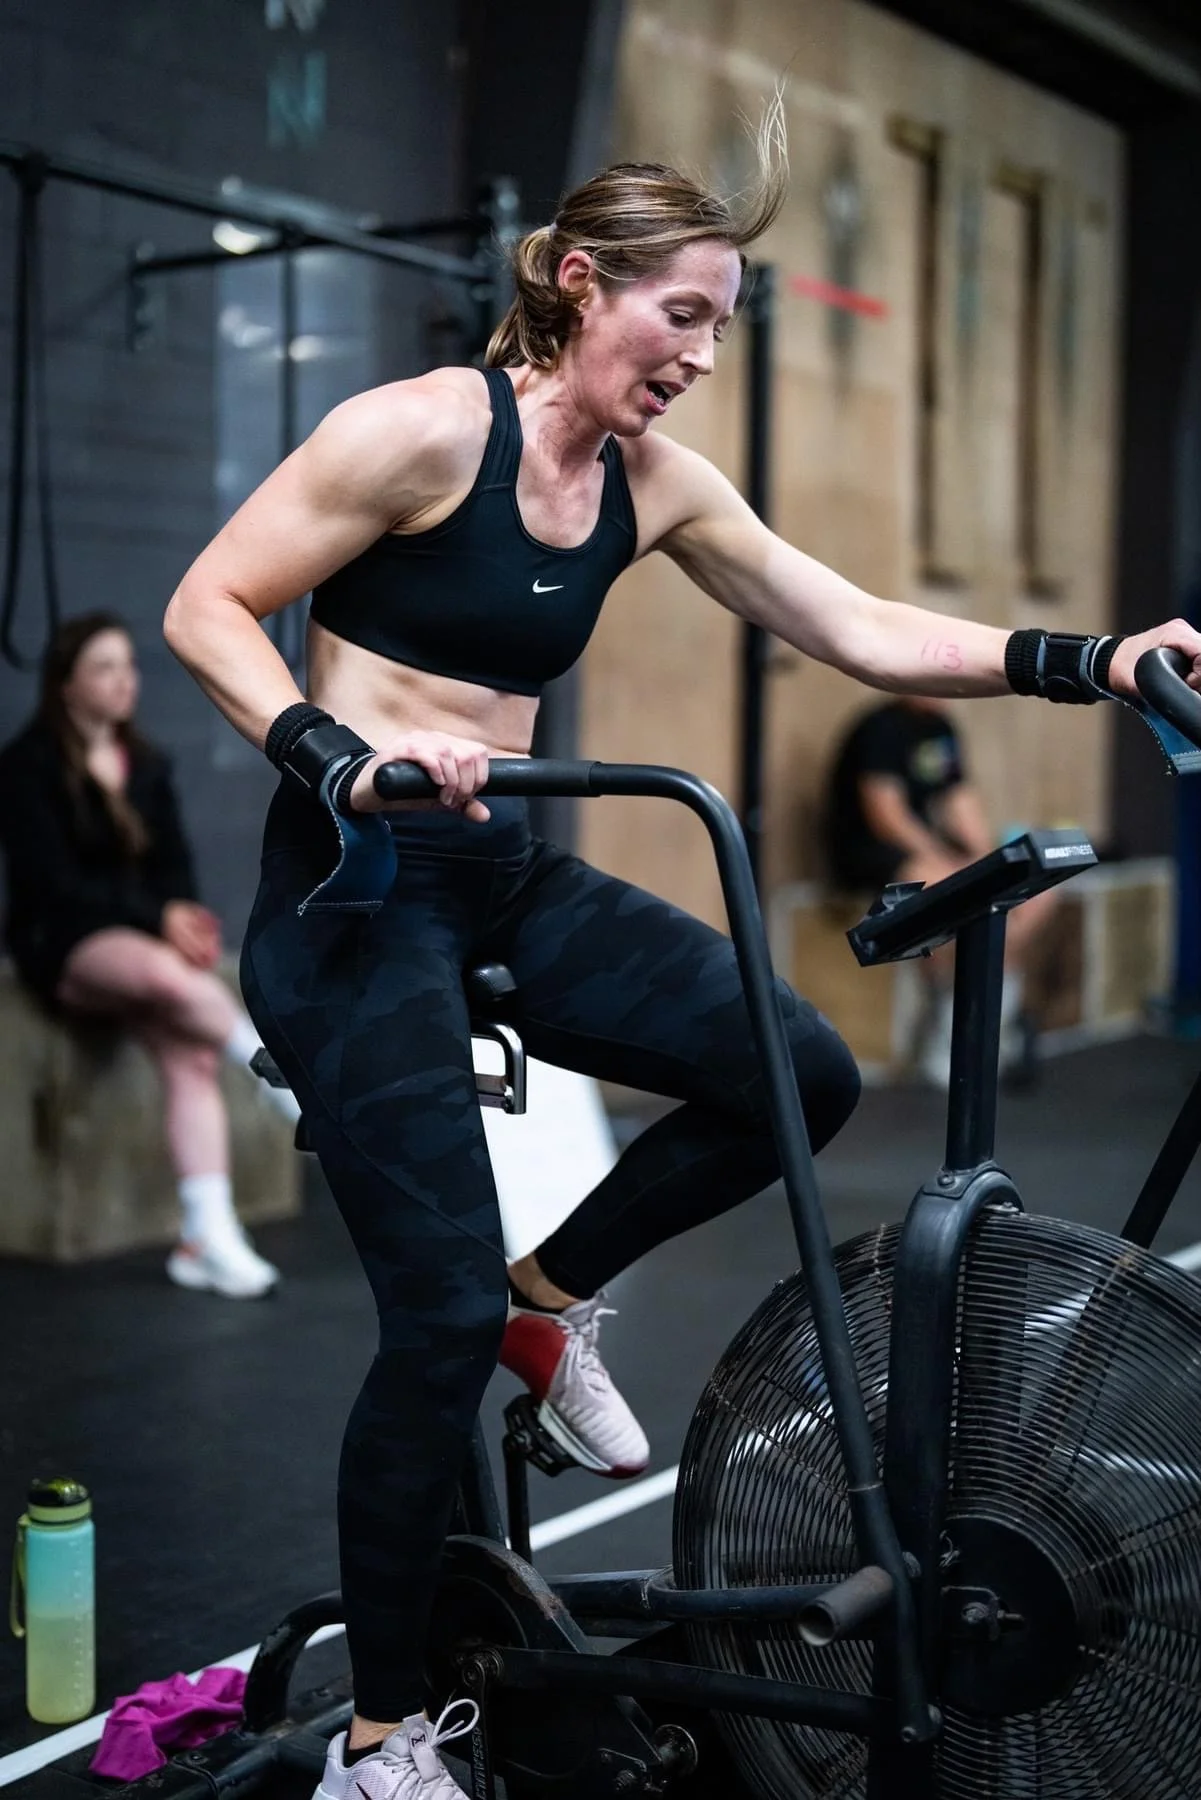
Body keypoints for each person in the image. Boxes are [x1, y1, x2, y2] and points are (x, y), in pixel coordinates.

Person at [162, 100, 1201, 1800]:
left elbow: (854, 626)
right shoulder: (426, 432)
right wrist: (333, 758)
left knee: (790, 1068)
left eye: (723, 323)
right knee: (418, 1322)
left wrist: (1091, 657)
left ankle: (544, 1305)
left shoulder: (653, 484)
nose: (702, 357)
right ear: (581, 286)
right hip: (354, 886)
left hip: (496, 866)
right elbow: (209, 603)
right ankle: (379, 1740)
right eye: (684, 316)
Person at [0, 612, 293, 1299]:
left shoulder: (149, 764)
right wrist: (153, 918)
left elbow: (174, 872)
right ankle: (270, 1068)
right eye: (104, 668)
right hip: (62, 945)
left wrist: (179, 917)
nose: (124, 680)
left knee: (188, 1051)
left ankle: (206, 1238)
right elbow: (54, 887)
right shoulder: (26, 766)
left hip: (142, 953)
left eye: (128, 666)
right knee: (166, 976)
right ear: (65, 683)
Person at [823, 694, 1057, 1083]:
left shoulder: (941, 729)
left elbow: (958, 799)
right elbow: (887, 819)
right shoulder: (880, 728)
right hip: (871, 856)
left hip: (928, 849)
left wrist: (990, 865)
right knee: (957, 895)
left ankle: (983, 1017)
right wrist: (951, 866)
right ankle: (959, 1032)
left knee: (1034, 897)